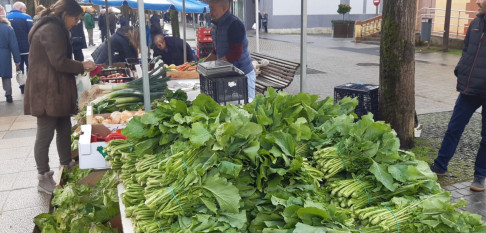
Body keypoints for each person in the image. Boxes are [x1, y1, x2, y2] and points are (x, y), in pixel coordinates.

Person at [25, 0, 96, 195]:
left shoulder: (56, 27)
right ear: (65, 14)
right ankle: (43, 176)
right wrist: (82, 65)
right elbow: (58, 62)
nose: (76, 22)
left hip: (56, 89)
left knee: (64, 127)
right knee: (45, 133)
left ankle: (67, 163)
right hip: (46, 91)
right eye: (76, 18)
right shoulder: (51, 29)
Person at [429, 0, 486, 192]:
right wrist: (461, 68)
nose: (478, 2)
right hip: (469, 88)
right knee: (454, 128)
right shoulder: (476, 22)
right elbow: (466, 48)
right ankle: (440, 166)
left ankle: (480, 176)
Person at [206, 0, 255, 99]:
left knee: (247, 108)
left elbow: (235, 54)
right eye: (210, 9)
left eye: (213, 9)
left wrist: (214, 67)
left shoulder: (235, 24)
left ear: (224, 8)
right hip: (228, 76)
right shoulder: (215, 26)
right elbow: (216, 52)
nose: (210, 12)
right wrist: (202, 65)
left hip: (243, 75)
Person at [6, 2, 33, 94]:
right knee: (30, 67)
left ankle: (22, 88)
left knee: (19, 69)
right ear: (21, 9)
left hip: (14, 50)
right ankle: (30, 86)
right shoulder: (27, 17)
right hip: (27, 48)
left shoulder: (6, 18)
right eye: (24, 9)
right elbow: (32, 32)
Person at [0, 5, 20, 103]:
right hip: (4, 54)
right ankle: (8, 95)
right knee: (6, 76)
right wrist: (17, 60)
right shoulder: (8, 28)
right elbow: (14, 45)